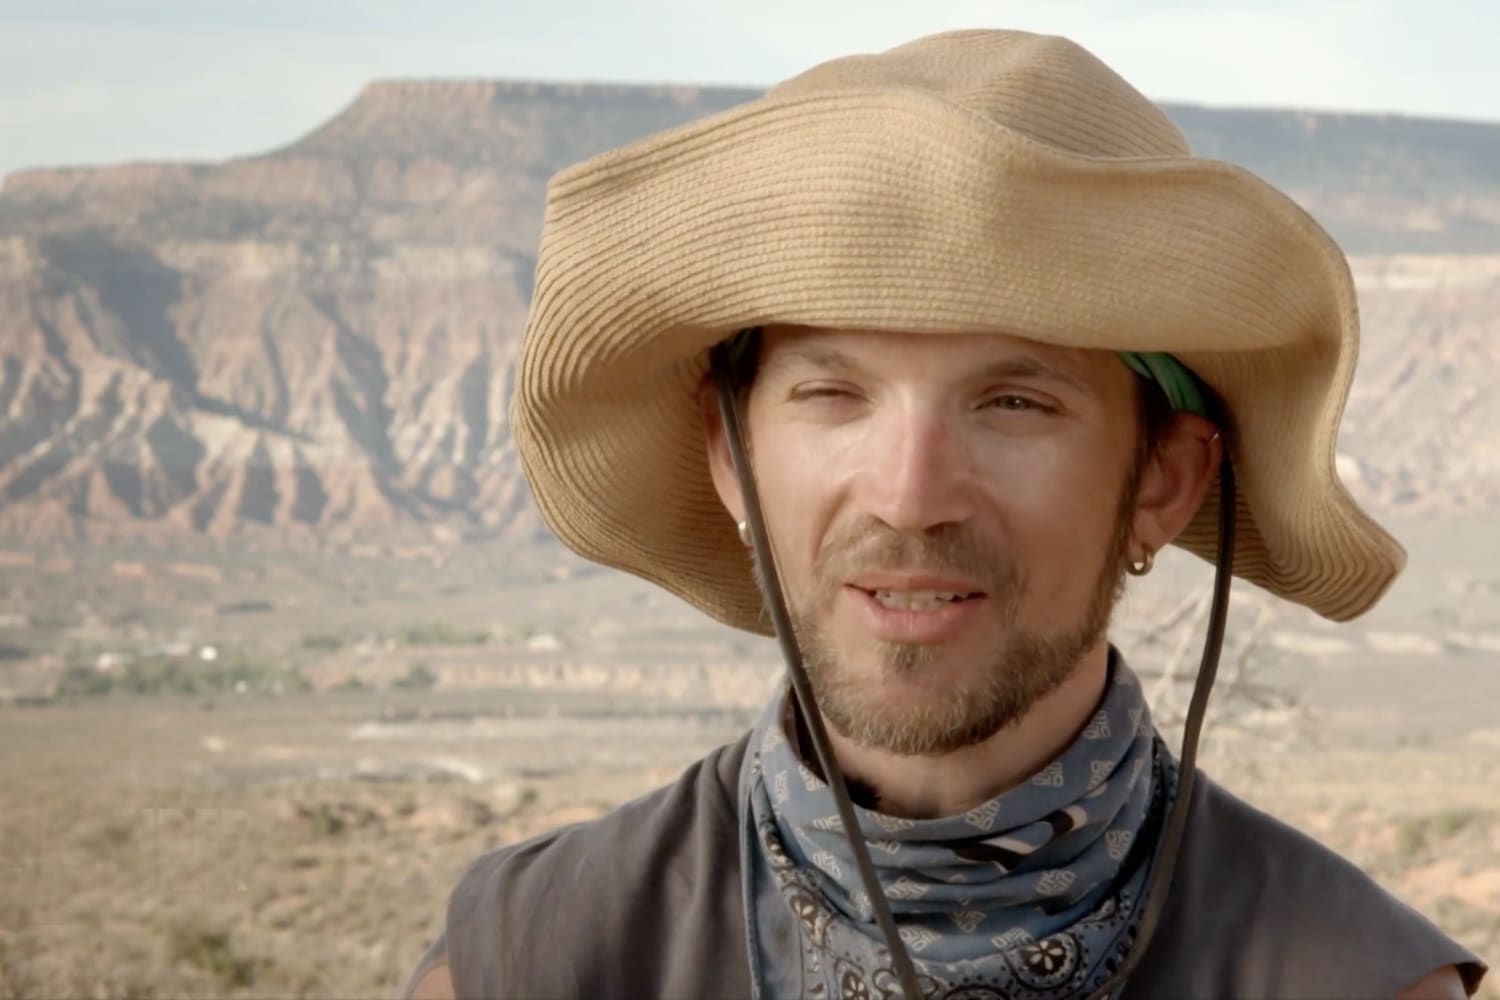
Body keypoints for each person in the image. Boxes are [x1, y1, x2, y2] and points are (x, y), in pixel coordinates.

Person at [404, 29, 1488, 999]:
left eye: (1014, 401)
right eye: (834, 394)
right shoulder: (536, 960)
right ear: (729, 456)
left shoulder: (1349, 980)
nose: (910, 494)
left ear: (1162, 481)